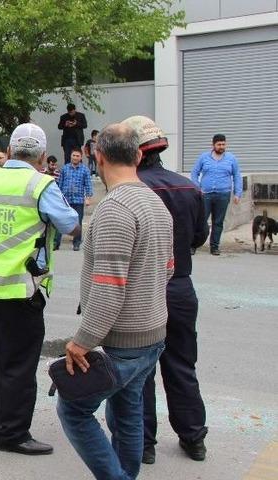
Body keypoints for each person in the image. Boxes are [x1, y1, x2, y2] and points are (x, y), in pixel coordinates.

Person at [0, 123, 80, 456]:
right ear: (41, 156)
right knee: (18, 365)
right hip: (20, 290)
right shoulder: (41, 185)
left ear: (8, 152)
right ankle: (12, 434)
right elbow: (70, 224)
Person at [56, 123, 174, 480]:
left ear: (97, 156)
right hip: (152, 336)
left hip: (124, 343)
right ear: (139, 155)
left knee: (73, 411)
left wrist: (82, 342)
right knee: (128, 410)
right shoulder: (155, 203)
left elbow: (109, 290)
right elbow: (168, 270)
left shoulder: (114, 210)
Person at [124, 115, 209, 464]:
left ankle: (144, 444)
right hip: (180, 288)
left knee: (140, 369)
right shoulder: (189, 188)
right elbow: (199, 238)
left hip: (143, 292)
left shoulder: (129, 191)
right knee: (182, 365)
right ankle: (193, 438)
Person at [190, 134, 242, 255]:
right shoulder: (204, 157)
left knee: (218, 222)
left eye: (223, 144)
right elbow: (194, 173)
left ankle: (214, 247)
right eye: (219, 144)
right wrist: (197, 188)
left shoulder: (231, 158)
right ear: (213, 145)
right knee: (201, 221)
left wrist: (237, 193)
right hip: (205, 195)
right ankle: (194, 245)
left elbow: (237, 176)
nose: (221, 147)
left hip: (223, 195)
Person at [55, 150, 93, 251]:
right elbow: (60, 183)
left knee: (78, 222)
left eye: (77, 156)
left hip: (78, 200)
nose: (75, 157)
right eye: (74, 155)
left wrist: (88, 198)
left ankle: (76, 243)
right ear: (71, 156)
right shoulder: (64, 168)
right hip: (65, 200)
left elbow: (88, 185)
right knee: (60, 221)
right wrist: (58, 197)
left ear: (81, 157)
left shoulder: (85, 170)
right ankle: (56, 243)